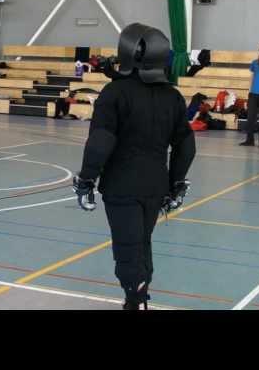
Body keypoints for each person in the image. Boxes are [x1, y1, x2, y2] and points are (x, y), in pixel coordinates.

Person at [73, 23, 196, 310]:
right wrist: (176, 182)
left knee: (128, 247)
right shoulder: (172, 96)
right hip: (156, 185)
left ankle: (136, 300)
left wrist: (86, 179)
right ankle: (138, 295)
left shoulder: (114, 93)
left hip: (121, 185)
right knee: (142, 242)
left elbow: (101, 140)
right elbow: (186, 145)